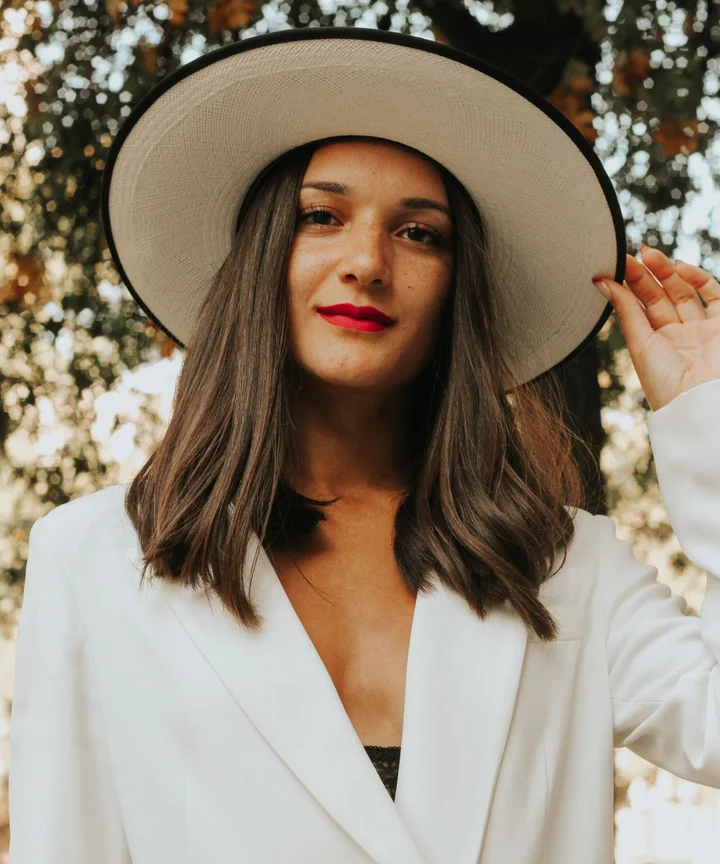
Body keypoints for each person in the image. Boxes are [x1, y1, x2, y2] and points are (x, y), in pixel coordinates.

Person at [8, 26, 720, 864]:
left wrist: (704, 411)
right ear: (263, 257)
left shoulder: (566, 564)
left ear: (459, 288)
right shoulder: (91, 559)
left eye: (420, 233)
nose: (366, 262)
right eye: (321, 216)